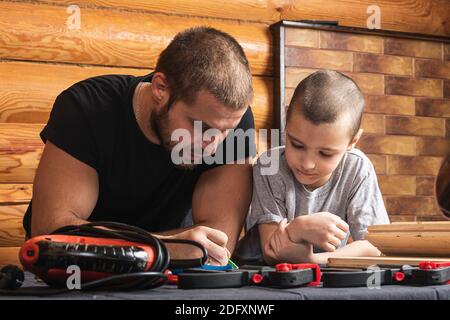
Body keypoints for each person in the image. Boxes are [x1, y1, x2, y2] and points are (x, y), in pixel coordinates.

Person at [24, 27, 257, 266]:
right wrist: (169, 246)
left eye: (225, 133)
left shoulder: (229, 119)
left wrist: (167, 249)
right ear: (161, 89)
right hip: (78, 274)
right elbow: (52, 234)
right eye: (202, 128)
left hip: (168, 279)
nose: (214, 146)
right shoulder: (87, 108)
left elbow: (217, 246)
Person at [234, 70, 390, 265]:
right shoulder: (269, 166)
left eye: (325, 153)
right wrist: (298, 228)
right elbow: (272, 252)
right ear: (286, 120)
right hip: (256, 274)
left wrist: (313, 259)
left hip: (321, 275)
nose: (307, 164)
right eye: (297, 145)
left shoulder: (357, 169)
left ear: (353, 141)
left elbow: (376, 246)